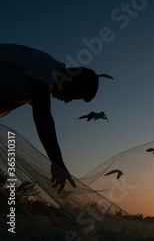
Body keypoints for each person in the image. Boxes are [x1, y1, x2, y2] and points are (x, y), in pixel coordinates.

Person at [0, 44, 112, 193]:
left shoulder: (36, 86)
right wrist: (57, 162)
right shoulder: (45, 67)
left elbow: (7, 107)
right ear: (72, 79)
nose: (66, 100)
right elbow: (42, 116)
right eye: (72, 95)